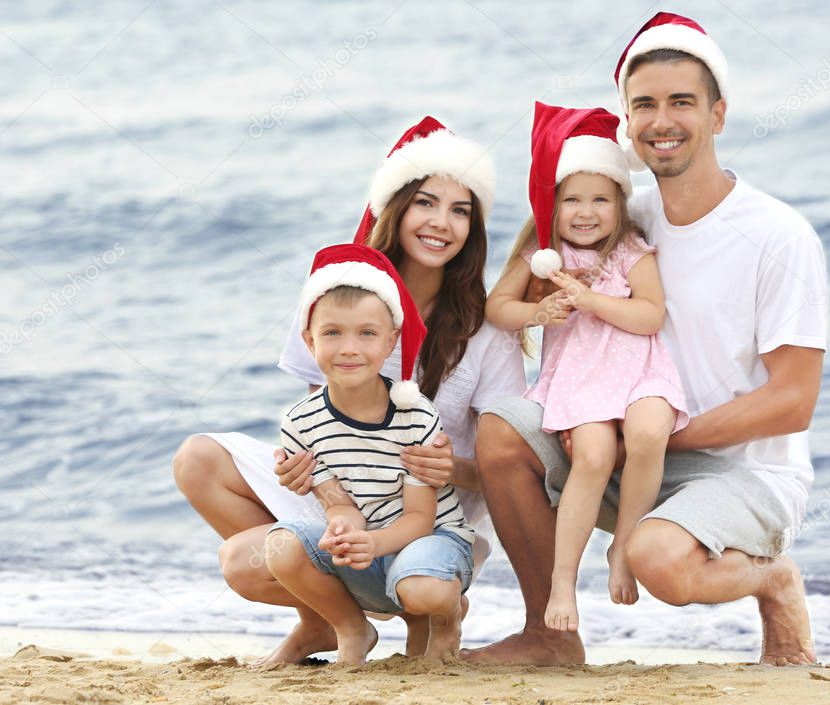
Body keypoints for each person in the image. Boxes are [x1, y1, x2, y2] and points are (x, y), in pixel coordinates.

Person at [464, 12, 827, 666]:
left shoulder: (778, 234)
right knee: (500, 430)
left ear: (718, 115)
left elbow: (792, 402)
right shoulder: (617, 214)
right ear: (627, 123)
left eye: (681, 102)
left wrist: (655, 435)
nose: (663, 119)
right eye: (645, 105)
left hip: (737, 467)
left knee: (657, 561)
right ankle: (551, 634)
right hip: (618, 437)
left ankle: (773, 577)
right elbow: (528, 270)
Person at [173, 117, 525, 664]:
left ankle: (423, 606)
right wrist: (303, 470)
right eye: (426, 203)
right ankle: (325, 620)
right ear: (396, 207)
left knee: (419, 572)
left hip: (427, 513)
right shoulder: (336, 295)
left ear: (474, 229)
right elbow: (323, 415)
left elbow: (508, 468)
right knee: (202, 469)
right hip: (343, 491)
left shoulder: (486, 331)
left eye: (461, 211)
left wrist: (448, 468)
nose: (441, 223)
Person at [485, 102, 689, 633]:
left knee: (649, 430)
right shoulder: (542, 254)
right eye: (571, 199)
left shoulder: (631, 252)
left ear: (620, 204)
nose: (585, 211)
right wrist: (539, 311)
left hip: (641, 372)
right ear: (552, 205)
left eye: (600, 199)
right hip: (580, 380)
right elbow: (497, 308)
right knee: (593, 455)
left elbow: (649, 317)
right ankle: (562, 580)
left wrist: (593, 300)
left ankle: (624, 545)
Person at [268, 243, 476, 663]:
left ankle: (447, 613)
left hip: (429, 539)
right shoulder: (301, 423)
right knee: (279, 547)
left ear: (390, 342)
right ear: (309, 341)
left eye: (367, 333)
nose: (349, 348)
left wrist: (373, 542)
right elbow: (339, 503)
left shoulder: (415, 414)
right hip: (371, 547)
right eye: (332, 333)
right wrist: (343, 531)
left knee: (424, 590)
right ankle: (351, 629)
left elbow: (421, 518)